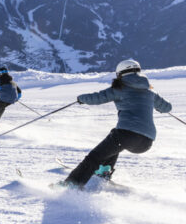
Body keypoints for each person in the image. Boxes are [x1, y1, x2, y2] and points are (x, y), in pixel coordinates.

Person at [60, 59, 172, 188]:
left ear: (120, 73)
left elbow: (98, 97)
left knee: (94, 158)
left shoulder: (120, 88)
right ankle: (104, 170)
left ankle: (71, 184)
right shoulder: (150, 91)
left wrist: (81, 99)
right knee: (113, 140)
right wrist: (155, 103)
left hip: (126, 135)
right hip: (146, 142)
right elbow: (167, 108)